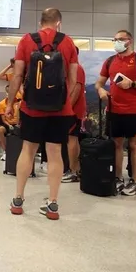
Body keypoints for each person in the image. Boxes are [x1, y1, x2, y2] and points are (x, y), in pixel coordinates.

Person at [6, 8, 78, 220]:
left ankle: (18, 200)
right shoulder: (68, 42)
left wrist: (10, 103)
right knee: (55, 153)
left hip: (32, 107)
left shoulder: (27, 40)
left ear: (41, 22)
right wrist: (63, 101)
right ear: (59, 23)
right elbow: (73, 79)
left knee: (28, 150)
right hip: (60, 109)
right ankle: (53, 204)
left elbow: (17, 75)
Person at [95, 30, 136, 196]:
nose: (117, 42)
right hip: (114, 109)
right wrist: (101, 90)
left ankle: (134, 181)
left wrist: (132, 84)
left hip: (134, 110)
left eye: (121, 39)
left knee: (134, 144)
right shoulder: (110, 61)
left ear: (129, 41)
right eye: (115, 39)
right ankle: (118, 178)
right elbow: (99, 83)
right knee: (116, 144)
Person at [62, 47, 86, 183]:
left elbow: (77, 89)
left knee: (71, 139)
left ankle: (73, 171)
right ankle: (76, 169)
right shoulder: (69, 69)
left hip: (73, 111)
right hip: (70, 110)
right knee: (72, 139)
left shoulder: (77, 69)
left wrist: (67, 109)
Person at [0, 84, 21, 162]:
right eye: (7, 91)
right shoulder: (1, 104)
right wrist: (9, 125)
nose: (9, 93)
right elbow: (3, 119)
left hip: (19, 124)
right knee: (0, 130)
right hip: (8, 124)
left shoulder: (20, 102)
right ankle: (5, 151)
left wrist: (18, 124)